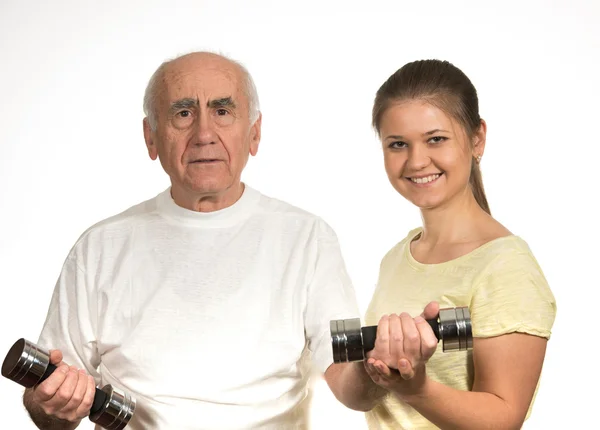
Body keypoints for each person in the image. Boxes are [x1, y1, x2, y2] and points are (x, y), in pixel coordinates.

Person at [20, 51, 378, 430]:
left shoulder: (307, 239)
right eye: (183, 113)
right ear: (151, 137)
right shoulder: (99, 248)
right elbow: (49, 406)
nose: (204, 134)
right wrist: (52, 401)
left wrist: (380, 370)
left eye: (223, 111)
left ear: (254, 133)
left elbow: (349, 381)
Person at [359, 59, 557, 429]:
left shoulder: (506, 266)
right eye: (398, 144)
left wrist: (416, 389)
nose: (417, 161)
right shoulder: (397, 257)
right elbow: (364, 389)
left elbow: (503, 419)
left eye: (436, 139)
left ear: (477, 137)